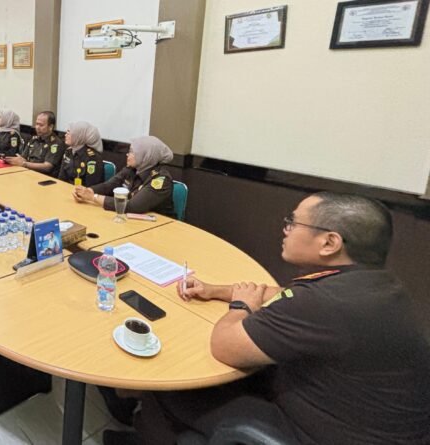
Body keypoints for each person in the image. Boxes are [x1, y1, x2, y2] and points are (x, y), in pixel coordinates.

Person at [104, 193, 430, 445]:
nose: (285, 230)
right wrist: (216, 290)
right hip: (353, 417)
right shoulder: (371, 285)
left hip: (321, 433)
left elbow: (224, 345)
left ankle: (144, 435)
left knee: (172, 382)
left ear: (330, 242)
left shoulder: (326, 303)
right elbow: (281, 294)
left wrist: (240, 307)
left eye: (294, 223)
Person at [73, 136, 175, 218]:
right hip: (132, 221)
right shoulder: (132, 169)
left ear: (146, 156)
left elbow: (133, 206)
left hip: (160, 228)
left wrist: (93, 197)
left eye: (132, 152)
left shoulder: (161, 179)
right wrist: (86, 191)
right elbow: (108, 185)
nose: (127, 154)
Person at [5, 111, 65, 177]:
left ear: (50, 126)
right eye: (36, 124)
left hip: (44, 177)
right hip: (27, 173)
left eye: (41, 125)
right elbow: (23, 158)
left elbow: (47, 167)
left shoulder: (56, 143)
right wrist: (14, 159)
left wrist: (24, 164)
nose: (37, 127)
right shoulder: (34, 139)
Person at [58, 121, 104, 187]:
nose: (65, 135)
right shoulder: (68, 151)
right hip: (66, 189)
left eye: (69, 133)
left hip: (83, 192)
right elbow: (61, 179)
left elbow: (90, 187)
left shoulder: (93, 158)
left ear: (79, 136)